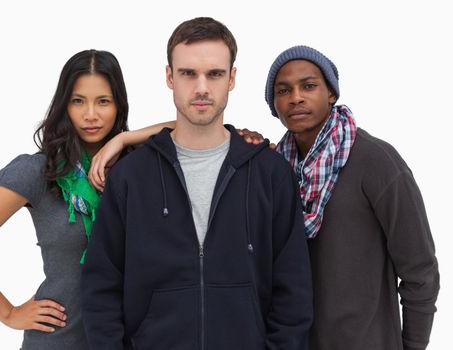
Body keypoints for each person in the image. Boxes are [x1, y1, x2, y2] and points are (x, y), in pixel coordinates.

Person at [81, 17, 313, 349]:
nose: (202, 87)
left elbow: (294, 293)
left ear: (232, 79)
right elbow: (101, 287)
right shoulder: (130, 176)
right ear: (169, 77)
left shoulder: (271, 174)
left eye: (215, 74)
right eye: (188, 73)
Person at [0, 49, 130, 349]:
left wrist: (123, 140)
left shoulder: (135, 169)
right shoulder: (41, 171)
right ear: (64, 105)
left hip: (123, 339)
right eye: (78, 101)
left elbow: (182, 130)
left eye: (103, 101)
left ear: (119, 105)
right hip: (57, 341)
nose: (90, 114)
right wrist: (8, 313)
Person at [264, 45, 440, 350]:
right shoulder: (274, 170)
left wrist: (413, 346)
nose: (296, 97)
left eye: (308, 86)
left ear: (331, 93)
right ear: (273, 103)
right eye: (283, 90)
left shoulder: (376, 161)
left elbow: (420, 272)